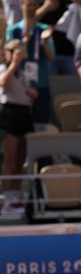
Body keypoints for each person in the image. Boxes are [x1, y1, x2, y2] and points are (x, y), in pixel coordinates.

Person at [0, 39, 37, 216]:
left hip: (24, 113)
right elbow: (3, 82)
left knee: (21, 159)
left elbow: (28, 91)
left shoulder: (22, 73)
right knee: (10, 160)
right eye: (15, 51)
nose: (19, 54)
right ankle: (5, 197)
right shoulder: (4, 68)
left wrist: (31, 93)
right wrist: (13, 63)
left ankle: (15, 194)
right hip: (10, 114)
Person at [6, 0, 56, 124]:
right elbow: (9, 57)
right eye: (29, 5)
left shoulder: (44, 29)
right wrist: (24, 41)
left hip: (41, 82)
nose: (31, 8)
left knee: (42, 123)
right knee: (20, 125)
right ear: (22, 5)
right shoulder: (13, 30)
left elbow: (51, 57)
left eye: (34, 5)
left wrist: (44, 42)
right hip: (21, 86)